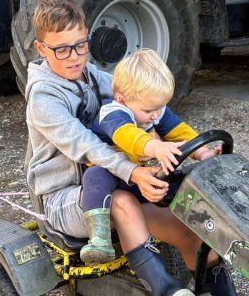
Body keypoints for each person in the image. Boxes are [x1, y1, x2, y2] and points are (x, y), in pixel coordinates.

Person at [24, 0, 246, 296]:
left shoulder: (94, 76)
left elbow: (140, 99)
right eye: (62, 49)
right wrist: (136, 170)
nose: (75, 57)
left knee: (192, 235)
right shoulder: (43, 98)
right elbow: (88, 147)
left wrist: (189, 145)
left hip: (118, 182)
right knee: (123, 203)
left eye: (81, 45)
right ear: (41, 48)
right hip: (66, 197)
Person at [78, 48, 217, 264]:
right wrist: (156, 147)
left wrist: (203, 152)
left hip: (141, 175)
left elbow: (180, 131)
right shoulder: (112, 112)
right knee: (94, 176)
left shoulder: (153, 109)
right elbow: (127, 136)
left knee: (183, 177)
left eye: (160, 107)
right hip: (114, 174)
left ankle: (206, 223)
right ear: (122, 99)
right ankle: (99, 238)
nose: (155, 114)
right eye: (149, 109)